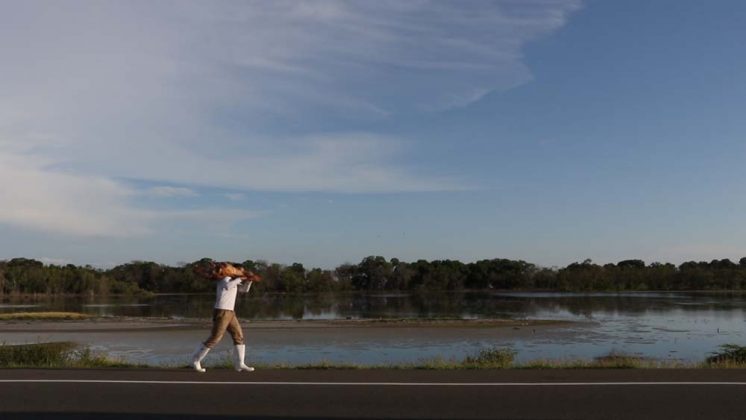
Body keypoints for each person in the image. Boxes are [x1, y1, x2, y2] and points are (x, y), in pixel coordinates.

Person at [191, 262, 261, 373]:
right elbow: (228, 286)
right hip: (222, 311)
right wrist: (241, 278)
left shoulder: (234, 280)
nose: (241, 272)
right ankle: (196, 359)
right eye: (240, 271)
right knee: (215, 338)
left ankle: (240, 364)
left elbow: (243, 290)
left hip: (230, 312)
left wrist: (249, 281)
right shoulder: (225, 278)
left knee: (238, 336)